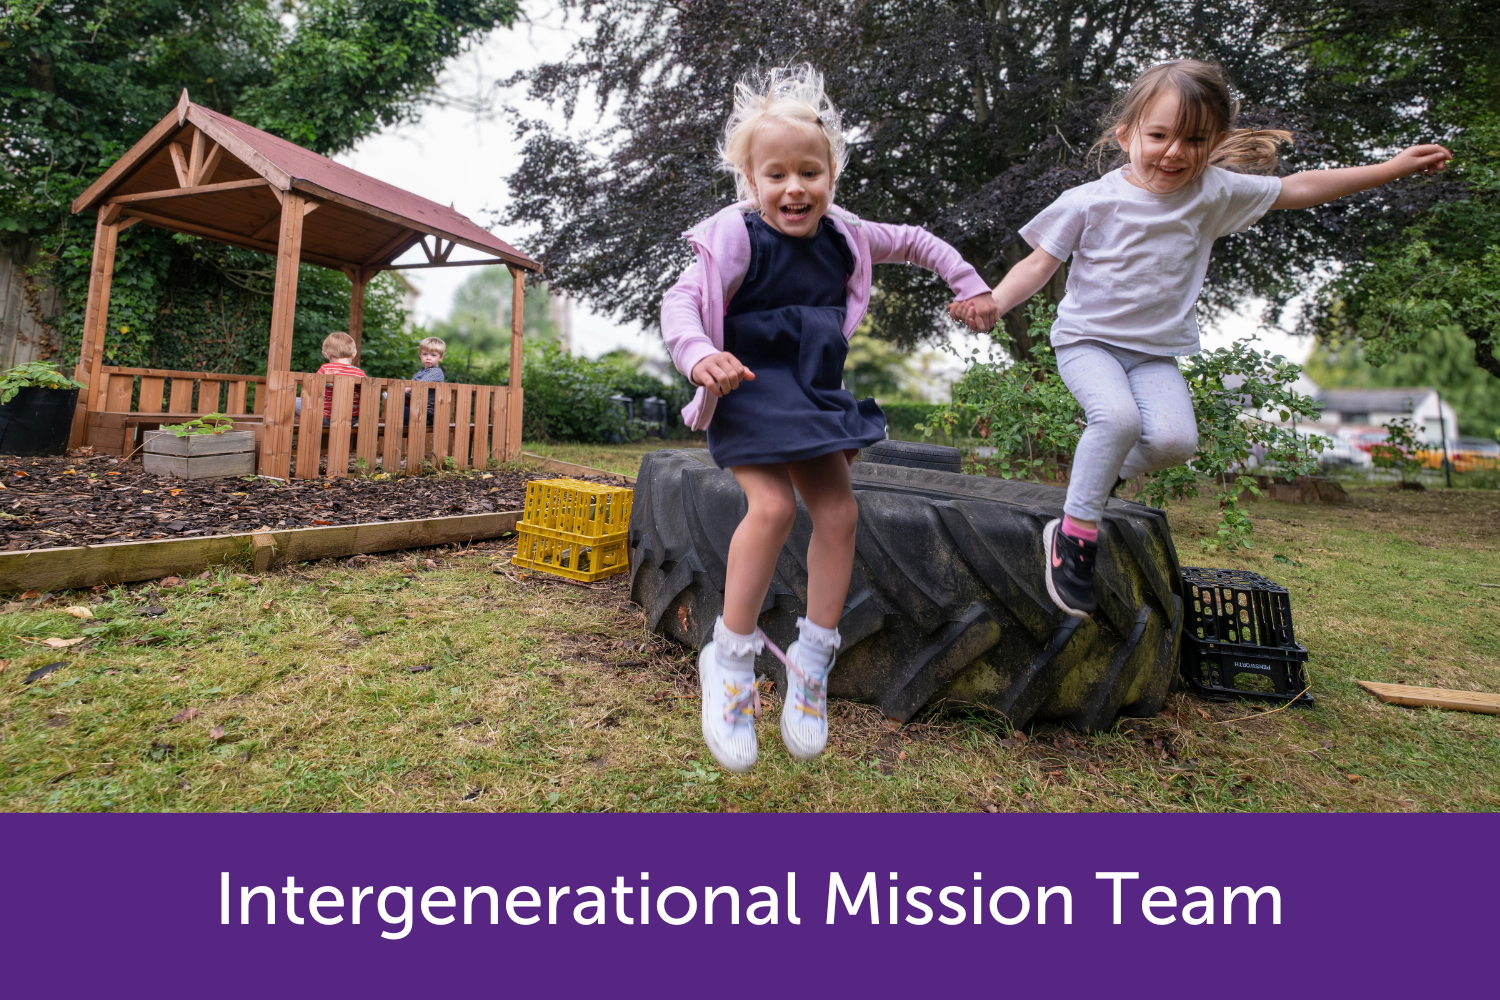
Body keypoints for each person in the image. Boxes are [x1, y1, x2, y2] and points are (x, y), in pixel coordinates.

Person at [951, 58, 1450, 620]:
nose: (1174, 153)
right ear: (1127, 135)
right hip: (1087, 342)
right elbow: (1040, 265)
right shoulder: (1090, 201)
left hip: (1155, 354)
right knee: (1115, 421)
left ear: (1212, 143)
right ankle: (1074, 535)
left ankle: (1104, 471)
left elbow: (1297, 187)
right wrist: (995, 299)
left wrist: (1388, 167)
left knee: (1173, 443)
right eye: (1159, 135)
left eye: (1193, 140)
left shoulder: (1212, 193)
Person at [661, 64, 999, 772]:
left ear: (832, 173)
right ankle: (730, 657)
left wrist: (968, 285)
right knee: (774, 507)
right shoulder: (734, 237)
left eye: (810, 173)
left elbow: (917, 242)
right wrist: (699, 358)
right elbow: (681, 304)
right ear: (751, 182)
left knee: (839, 515)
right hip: (748, 389)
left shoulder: (845, 234)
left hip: (813, 394)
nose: (794, 188)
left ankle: (812, 661)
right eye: (776, 175)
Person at [315, 331, 364, 426]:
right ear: (353, 354)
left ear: (326, 354)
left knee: (297, 401)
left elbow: (313, 389)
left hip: (325, 417)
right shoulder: (359, 373)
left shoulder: (325, 369)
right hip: (351, 419)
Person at [406, 336, 446, 425]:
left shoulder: (436, 372)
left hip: (426, 411)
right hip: (415, 407)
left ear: (440, 358)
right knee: (395, 411)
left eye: (433, 355)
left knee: (396, 413)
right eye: (425, 354)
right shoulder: (421, 372)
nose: (428, 358)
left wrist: (399, 391)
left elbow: (418, 385)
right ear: (420, 355)